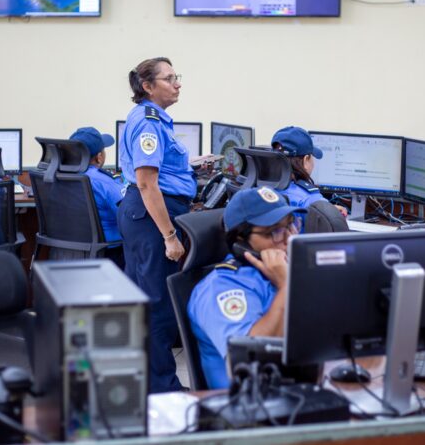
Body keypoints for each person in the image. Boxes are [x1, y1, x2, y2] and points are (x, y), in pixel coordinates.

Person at [116, 56, 196, 393]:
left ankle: (145, 381)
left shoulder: (152, 119)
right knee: (158, 305)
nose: (178, 84)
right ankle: (163, 389)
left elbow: (156, 171)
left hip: (142, 213)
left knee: (145, 300)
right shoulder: (149, 123)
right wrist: (170, 236)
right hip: (152, 217)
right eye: (169, 78)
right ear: (148, 86)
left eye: (177, 77)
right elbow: (148, 183)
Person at [187, 186, 305, 389]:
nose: (289, 238)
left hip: (299, 387)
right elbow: (253, 361)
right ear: (241, 239)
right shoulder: (221, 288)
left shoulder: (284, 269)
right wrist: (287, 287)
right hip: (252, 401)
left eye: (291, 225)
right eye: (275, 231)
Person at [69, 127, 126, 268]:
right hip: (109, 253)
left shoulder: (59, 175)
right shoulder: (104, 182)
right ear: (99, 157)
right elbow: (128, 215)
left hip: (68, 253)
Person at [271, 126, 348, 227]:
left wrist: (327, 208)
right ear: (306, 159)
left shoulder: (261, 189)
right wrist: (328, 211)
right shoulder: (311, 200)